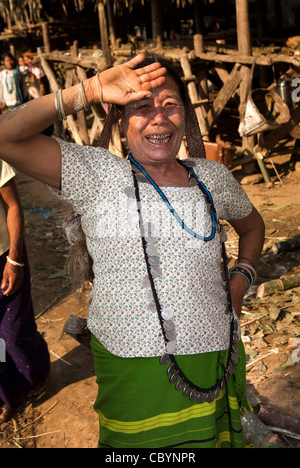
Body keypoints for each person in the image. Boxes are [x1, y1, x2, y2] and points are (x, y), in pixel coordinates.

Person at [0, 53, 265, 447]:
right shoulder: (96, 175)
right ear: (121, 122)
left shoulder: (211, 177)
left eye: (170, 105)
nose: (158, 118)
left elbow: (253, 226)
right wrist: (89, 89)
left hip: (215, 354)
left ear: (185, 117)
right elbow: (6, 135)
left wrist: (241, 278)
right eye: (141, 107)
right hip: (131, 364)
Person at [0, 160, 50, 422]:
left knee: (13, 332)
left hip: (5, 261)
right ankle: (7, 395)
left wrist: (14, 260)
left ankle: (35, 376)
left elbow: (13, 205)